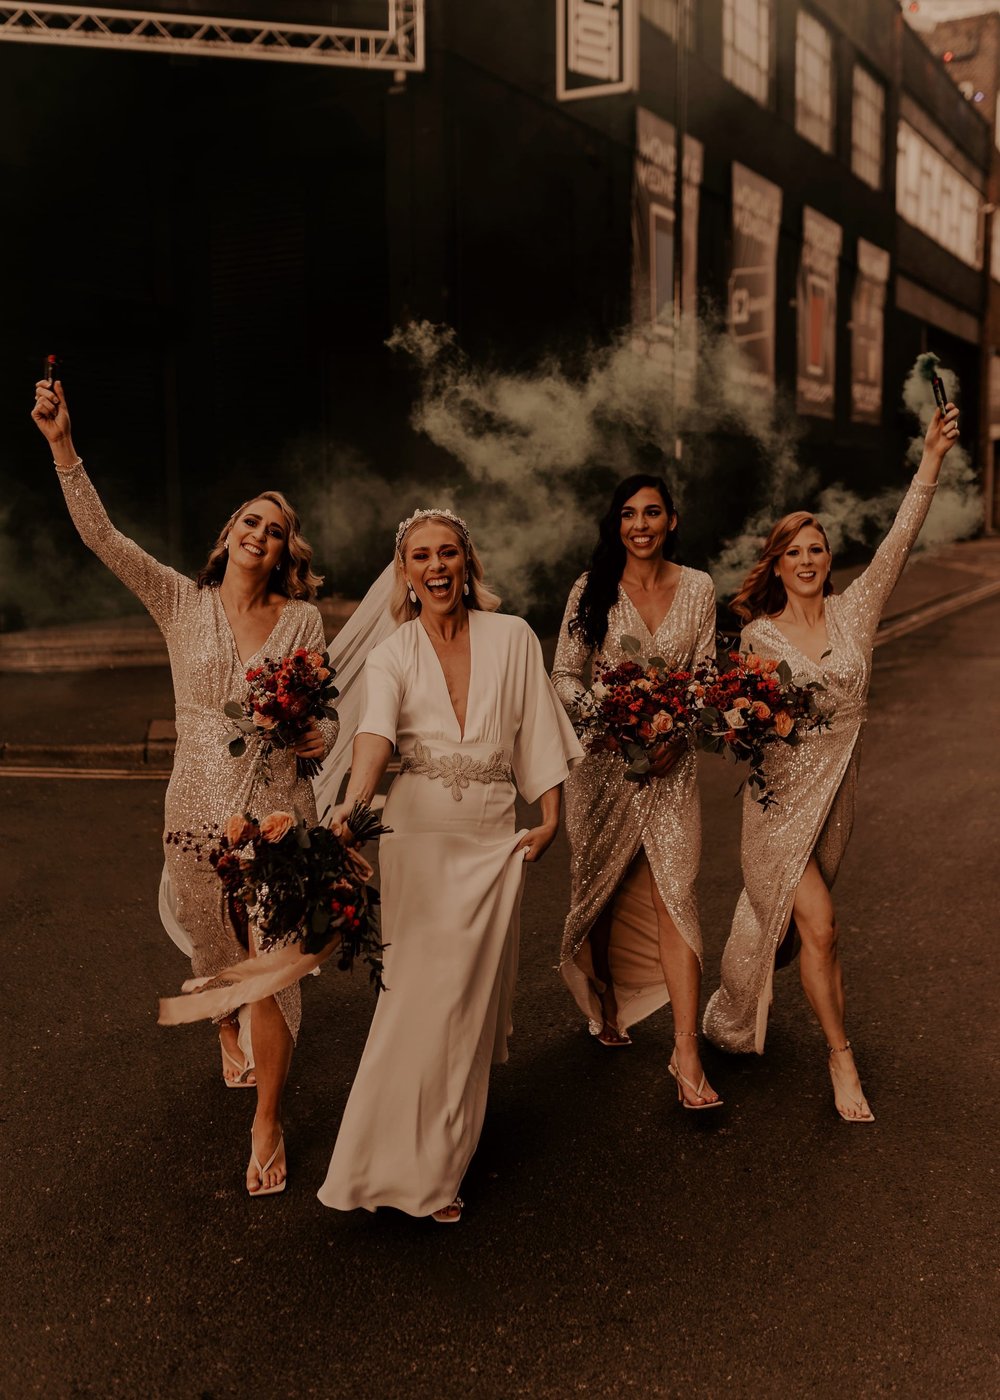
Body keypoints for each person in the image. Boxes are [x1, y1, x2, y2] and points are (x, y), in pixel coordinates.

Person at [31, 376, 337, 1194]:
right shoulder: (180, 601)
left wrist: (318, 734)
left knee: (271, 965)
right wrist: (63, 445)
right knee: (217, 951)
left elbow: (326, 717)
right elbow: (104, 537)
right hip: (194, 814)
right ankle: (225, 1023)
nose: (260, 537)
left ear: (284, 553)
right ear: (228, 533)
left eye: (275, 533)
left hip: (274, 811)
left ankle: (267, 1122)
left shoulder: (302, 623)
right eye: (250, 522)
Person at [318, 507, 582, 1221]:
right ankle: (378, 1165)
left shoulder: (514, 636)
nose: (435, 567)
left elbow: (537, 727)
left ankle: (440, 1158)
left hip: (493, 839)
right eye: (420, 557)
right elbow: (373, 737)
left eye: (447, 554)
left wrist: (552, 814)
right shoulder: (393, 653)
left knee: (464, 1003)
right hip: (419, 837)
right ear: (404, 574)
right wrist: (354, 803)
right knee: (413, 996)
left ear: (467, 563)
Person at [703, 404, 961, 1122]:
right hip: (778, 807)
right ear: (777, 565)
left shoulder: (857, 613)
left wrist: (931, 457)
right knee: (822, 926)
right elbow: (739, 730)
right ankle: (840, 1060)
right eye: (794, 553)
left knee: (784, 934)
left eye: (816, 549)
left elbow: (902, 537)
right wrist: (742, 720)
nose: (809, 561)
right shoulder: (756, 637)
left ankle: (728, 1008)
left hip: (835, 801)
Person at [551, 474, 721, 1109]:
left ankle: (686, 1049)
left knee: (676, 893)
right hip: (603, 766)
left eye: (652, 513)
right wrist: (609, 719)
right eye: (628, 514)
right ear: (616, 523)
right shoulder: (588, 590)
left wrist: (678, 731)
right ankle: (606, 997)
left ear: (672, 520)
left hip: (672, 767)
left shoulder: (699, 587)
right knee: (601, 883)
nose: (640, 524)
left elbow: (707, 676)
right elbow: (564, 675)